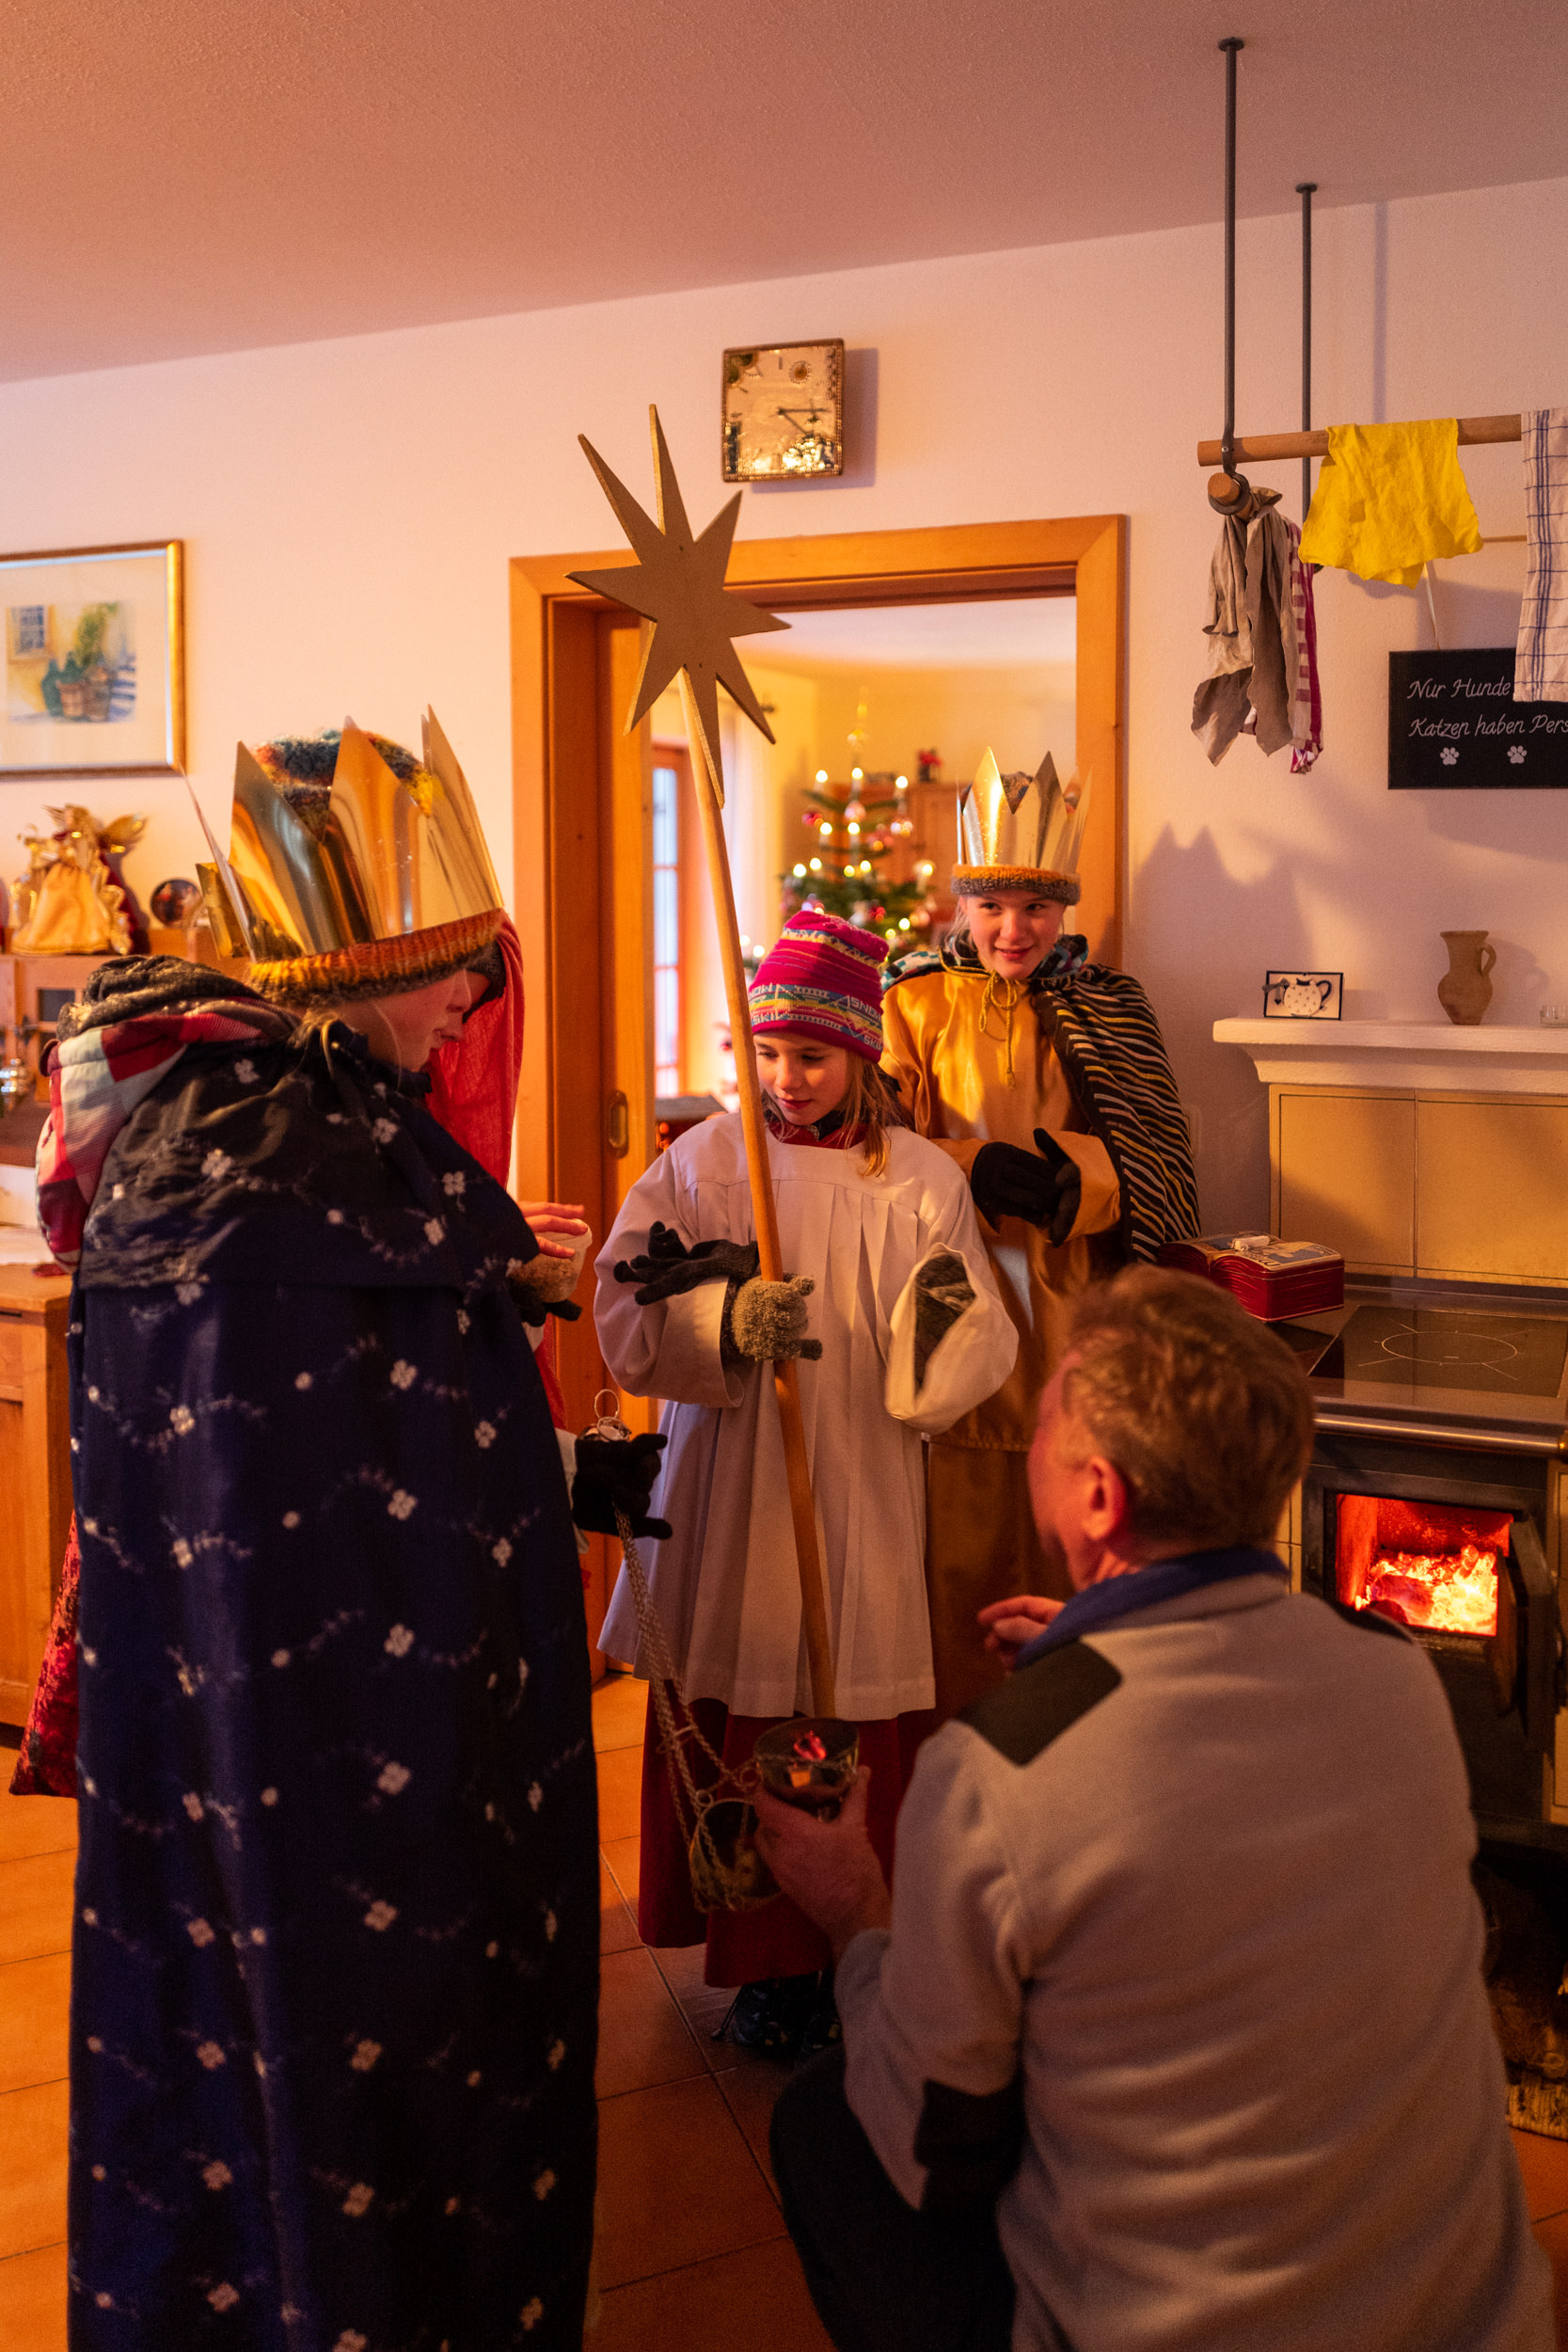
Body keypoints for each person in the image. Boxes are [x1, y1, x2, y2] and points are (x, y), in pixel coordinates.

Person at [41, 721, 660, 2351]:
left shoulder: (302, 1131)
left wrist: (538, 1446)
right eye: (457, 965)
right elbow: (318, 1499)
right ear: (366, 966)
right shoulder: (281, 1161)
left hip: (301, 1722)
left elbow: (391, 1426)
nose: (476, 996)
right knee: (334, 2047)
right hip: (326, 1753)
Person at [756, 1266, 1554, 2352]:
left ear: (1098, 1495)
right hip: (1478, 2325)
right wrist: (1095, 1648)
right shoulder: (1394, 1676)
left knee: (820, 2122)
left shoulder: (995, 1770)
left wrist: (854, 1909)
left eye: (1044, 1418)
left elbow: (929, 2150)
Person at [594, 909, 1018, 2057]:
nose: (787, 1078)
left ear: (860, 1054)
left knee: (843, 1704)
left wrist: (923, 1346)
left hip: (858, 1477)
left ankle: (846, 1951)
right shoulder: (706, 1160)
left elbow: (966, 1319)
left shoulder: (915, 1176)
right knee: (738, 1696)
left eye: (813, 1056)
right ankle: (761, 1964)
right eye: (770, 1052)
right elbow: (624, 1298)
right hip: (730, 1477)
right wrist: (721, 1320)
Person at [880, 749, 1199, 1716]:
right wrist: (967, 1163)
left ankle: (1070, 1728)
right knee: (956, 1530)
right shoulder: (911, 1002)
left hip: (1071, 1297)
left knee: (1070, 1500)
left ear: (1063, 913)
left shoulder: (1109, 1006)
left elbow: (1149, 1154)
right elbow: (877, 1142)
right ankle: (955, 1735)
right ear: (961, 905)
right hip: (955, 1291)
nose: (1011, 930)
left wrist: (1083, 1180)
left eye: (1035, 909)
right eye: (991, 907)